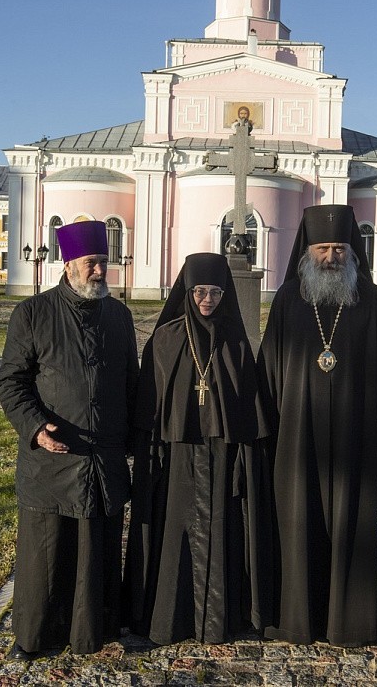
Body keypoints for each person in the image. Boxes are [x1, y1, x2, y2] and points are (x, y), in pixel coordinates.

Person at [258, 204, 377, 646]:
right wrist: (264, 435)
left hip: (356, 437)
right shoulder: (289, 299)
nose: (330, 258)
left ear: (353, 251)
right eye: (322, 249)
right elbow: (269, 371)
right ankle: (299, 620)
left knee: (351, 527)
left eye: (339, 249)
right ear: (307, 252)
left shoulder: (372, 300)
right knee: (298, 521)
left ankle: (350, 624)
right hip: (297, 437)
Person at [0, 220, 139, 658]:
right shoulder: (32, 313)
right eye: (91, 263)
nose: (99, 271)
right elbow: (12, 383)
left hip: (102, 456)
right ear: (68, 264)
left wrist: (134, 440)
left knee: (96, 546)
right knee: (48, 551)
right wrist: (35, 428)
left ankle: (92, 630)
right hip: (53, 459)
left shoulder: (119, 316)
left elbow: (131, 384)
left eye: (104, 262)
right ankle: (36, 636)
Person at [124, 252, 272, 645]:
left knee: (222, 529)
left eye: (216, 292)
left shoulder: (236, 342)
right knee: (175, 533)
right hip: (177, 457)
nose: (208, 299)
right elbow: (151, 408)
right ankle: (171, 619)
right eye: (200, 291)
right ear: (187, 292)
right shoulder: (165, 339)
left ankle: (219, 619)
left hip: (222, 454)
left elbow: (247, 408)